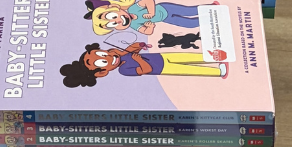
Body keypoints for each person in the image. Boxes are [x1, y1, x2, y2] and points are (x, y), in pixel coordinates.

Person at [60, 42, 226, 87]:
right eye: (104, 61)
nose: (109, 56)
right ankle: (217, 71)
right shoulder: (124, 70)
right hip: (162, 68)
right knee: (188, 69)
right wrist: (137, 58)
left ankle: (216, 57)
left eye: (104, 53)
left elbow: (131, 49)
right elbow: (146, 69)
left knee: (188, 56)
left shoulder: (121, 54)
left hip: (160, 56)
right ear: (102, 72)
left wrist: (138, 46)